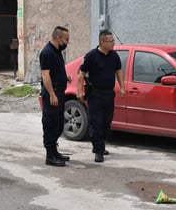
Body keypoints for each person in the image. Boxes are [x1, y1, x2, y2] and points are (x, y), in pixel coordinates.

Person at [76, 29, 125, 163]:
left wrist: (122, 87)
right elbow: (81, 74)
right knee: (96, 122)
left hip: (109, 94)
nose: (113, 43)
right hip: (95, 94)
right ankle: (98, 151)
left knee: (106, 122)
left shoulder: (114, 56)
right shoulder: (91, 56)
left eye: (113, 41)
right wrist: (79, 91)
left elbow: (119, 71)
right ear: (102, 42)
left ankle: (99, 145)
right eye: (111, 41)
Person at [39, 26, 71, 167]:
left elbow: (55, 71)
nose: (67, 42)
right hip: (52, 93)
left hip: (59, 91)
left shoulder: (57, 51)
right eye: (66, 39)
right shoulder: (47, 52)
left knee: (58, 124)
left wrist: (65, 77)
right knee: (50, 123)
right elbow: (45, 75)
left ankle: (55, 152)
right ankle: (50, 156)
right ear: (59, 38)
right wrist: (52, 94)